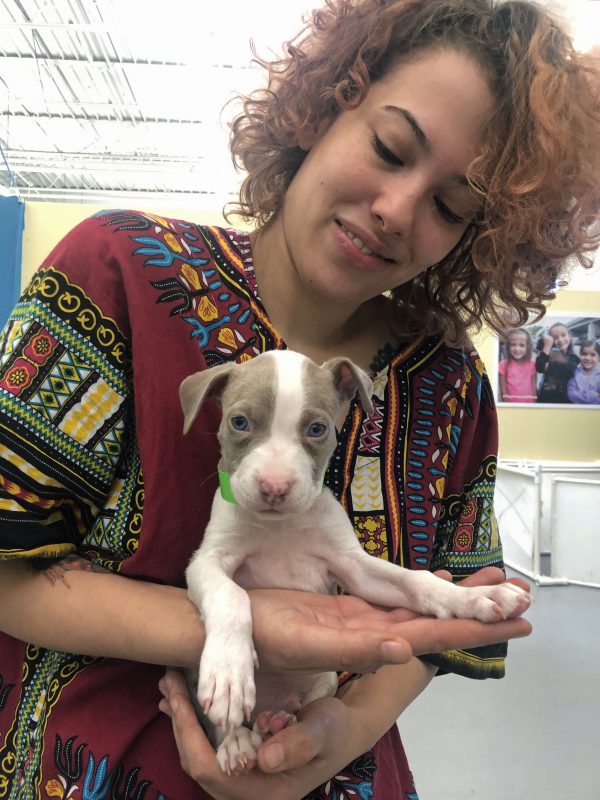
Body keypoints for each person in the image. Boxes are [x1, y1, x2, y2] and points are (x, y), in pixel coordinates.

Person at [0, 0, 599, 796]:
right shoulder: (117, 272)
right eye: (391, 148)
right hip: (92, 770)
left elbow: (453, 605)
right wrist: (236, 631)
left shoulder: (448, 382)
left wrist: (340, 729)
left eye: (452, 207)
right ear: (330, 100)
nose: (395, 211)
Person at [535, 322, 580, 403]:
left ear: (569, 336)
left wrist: (548, 366)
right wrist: (547, 346)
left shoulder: (574, 357)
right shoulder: (548, 352)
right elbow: (539, 367)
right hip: (545, 398)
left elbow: (568, 370)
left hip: (565, 400)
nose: (560, 340)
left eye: (563, 335)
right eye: (555, 337)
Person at [498, 328, 537, 402]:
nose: (517, 348)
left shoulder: (532, 364)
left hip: (528, 406)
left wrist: (533, 405)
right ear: (508, 346)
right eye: (513, 344)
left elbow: (534, 389)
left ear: (528, 347)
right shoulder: (503, 365)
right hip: (511, 406)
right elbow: (503, 391)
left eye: (522, 345)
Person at [567, 340, 600, 404]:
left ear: (599, 358)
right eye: (584, 354)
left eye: (593, 355)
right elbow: (571, 395)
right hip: (578, 411)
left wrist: (581, 394)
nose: (588, 358)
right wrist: (594, 395)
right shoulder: (574, 373)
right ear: (580, 355)